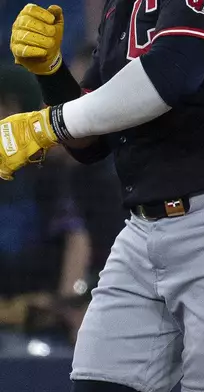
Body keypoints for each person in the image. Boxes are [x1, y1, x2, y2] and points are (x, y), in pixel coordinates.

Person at [0, 2, 204, 392]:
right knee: (99, 382)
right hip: (145, 228)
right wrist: (51, 74)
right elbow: (94, 140)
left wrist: (47, 125)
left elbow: (173, 71)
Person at [0, 64, 91, 346]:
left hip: (42, 313)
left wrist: (63, 302)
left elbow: (76, 238)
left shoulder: (44, 172)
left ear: (12, 107)